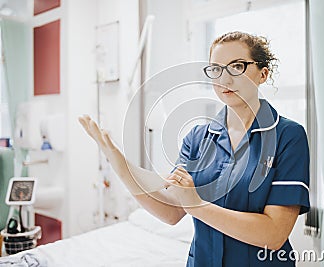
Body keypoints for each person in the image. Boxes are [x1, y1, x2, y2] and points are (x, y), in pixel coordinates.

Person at [79, 31, 310, 267]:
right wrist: (120, 164)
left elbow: (273, 234)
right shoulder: (198, 137)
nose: (225, 79)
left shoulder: (288, 136)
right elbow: (172, 211)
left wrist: (196, 205)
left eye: (237, 66)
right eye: (216, 69)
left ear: (263, 73)